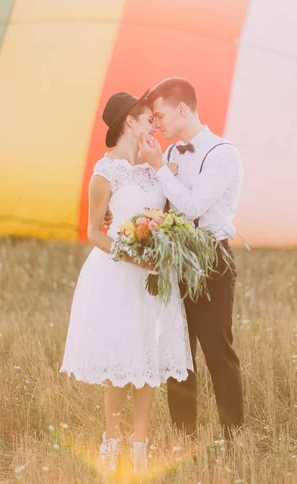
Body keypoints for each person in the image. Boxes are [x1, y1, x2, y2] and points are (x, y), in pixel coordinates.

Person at [59, 90, 193, 475]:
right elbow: (94, 232)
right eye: (145, 116)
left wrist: (164, 246)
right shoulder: (104, 173)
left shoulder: (155, 165)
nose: (153, 121)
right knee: (119, 357)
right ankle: (111, 440)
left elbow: (169, 211)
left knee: (148, 356)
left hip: (154, 275)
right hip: (118, 273)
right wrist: (133, 255)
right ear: (128, 122)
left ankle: (139, 442)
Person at [139, 77, 244, 441]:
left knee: (217, 350)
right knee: (178, 353)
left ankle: (233, 438)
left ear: (182, 109)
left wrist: (159, 168)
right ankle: (184, 437)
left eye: (159, 115)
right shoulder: (169, 155)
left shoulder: (223, 153)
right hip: (175, 258)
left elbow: (194, 206)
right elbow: (166, 208)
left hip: (211, 257)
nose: (156, 124)